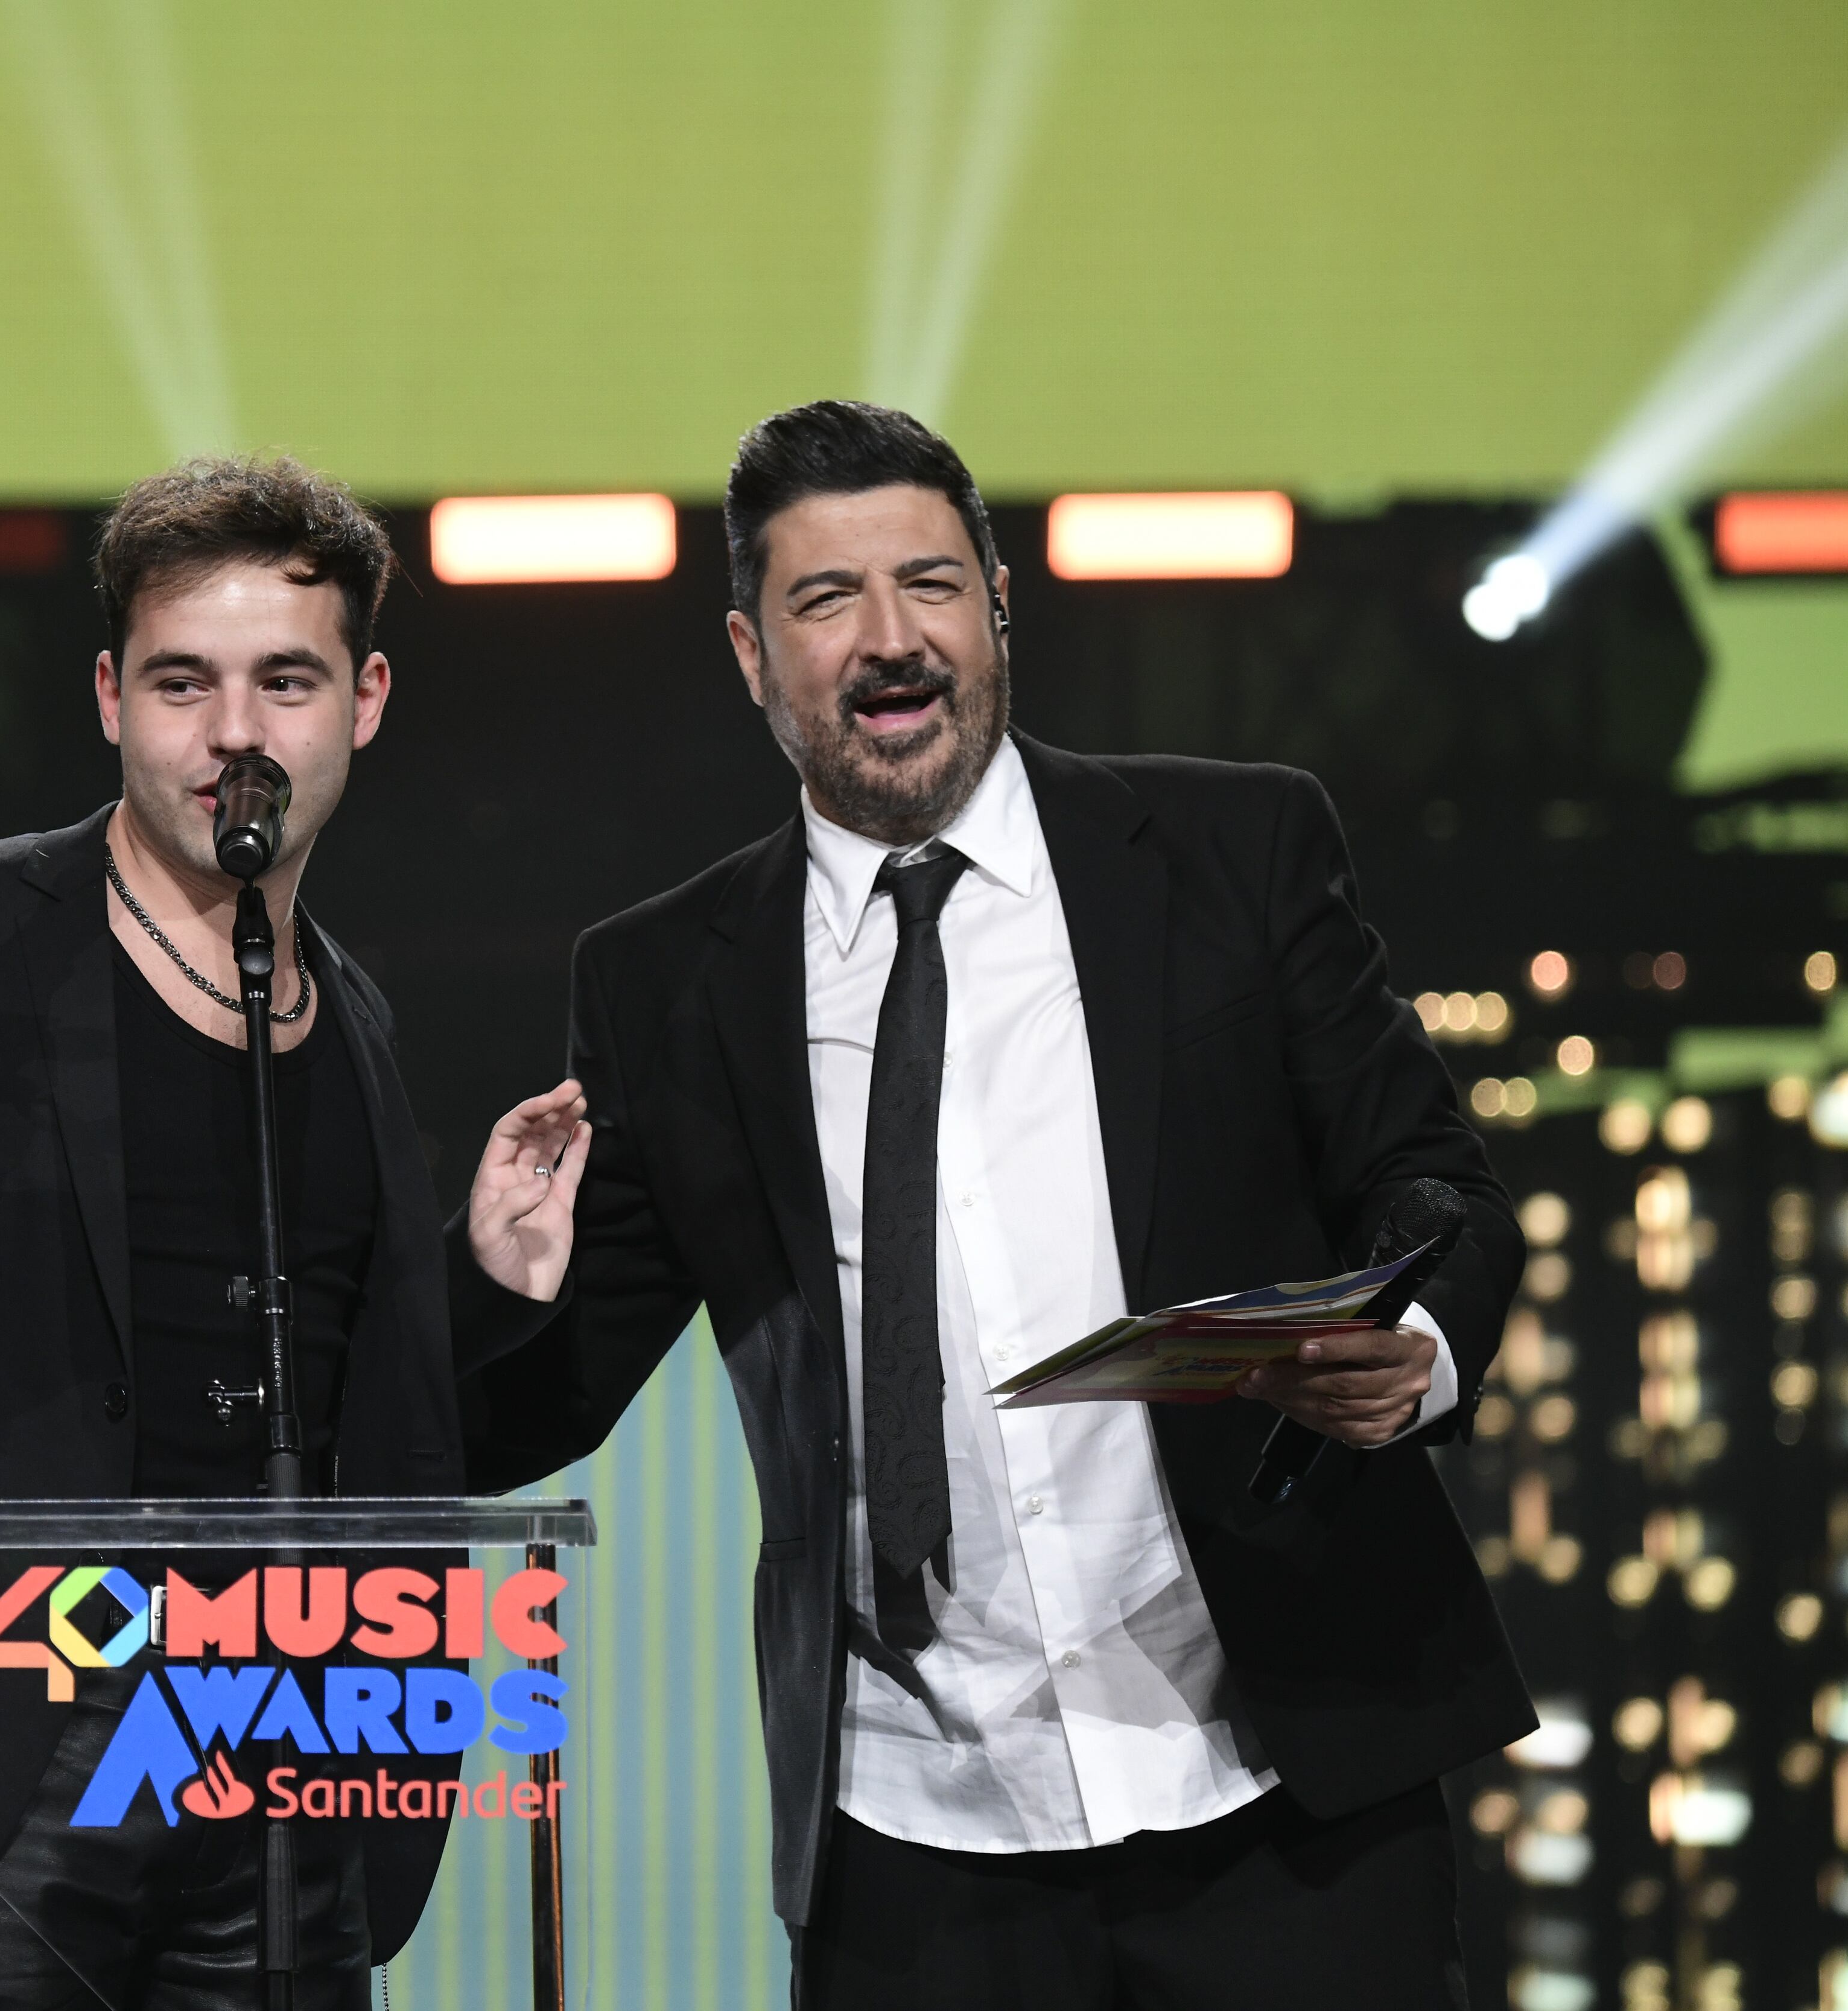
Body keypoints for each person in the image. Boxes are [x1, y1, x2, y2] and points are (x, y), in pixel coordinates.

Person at [457, 401, 1534, 2007]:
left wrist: (1419, 1343)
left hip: (1288, 1800)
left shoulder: (1235, 849)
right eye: (829, 602)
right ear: (752, 656)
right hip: (915, 1863)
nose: (895, 641)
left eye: (933, 585)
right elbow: (528, 1413)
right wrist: (501, 1281)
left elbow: (1429, 1181)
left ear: (998, 606)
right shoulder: (669, 980)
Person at [0, 455, 589, 2010]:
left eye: (287, 680)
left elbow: (347, 1410)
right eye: (181, 683)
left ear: (367, 698)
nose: (234, 735)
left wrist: (473, 1282)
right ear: (108, 697)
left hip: (295, 1750)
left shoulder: (350, 1015)